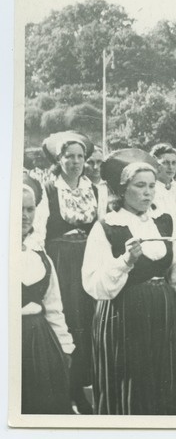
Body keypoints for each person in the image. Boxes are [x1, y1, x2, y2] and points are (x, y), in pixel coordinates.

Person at [82, 148, 176, 415]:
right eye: (140, 186)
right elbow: (94, 285)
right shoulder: (106, 226)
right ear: (123, 189)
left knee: (170, 386)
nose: (148, 192)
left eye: (152, 186)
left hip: (165, 315)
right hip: (124, 319)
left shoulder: (165, 223)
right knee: (132, 390)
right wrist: (125, 261)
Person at [31, 131, 98, 414]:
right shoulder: (49, 190)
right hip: (61, 261)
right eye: (68, 156)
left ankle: (89, 388)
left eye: (80, 156)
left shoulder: (95, 190)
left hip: (90, 259)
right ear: (59, 160)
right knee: (68, 322)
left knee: (91, 321)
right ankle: (68, 390)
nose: (75, 162)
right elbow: (39, 231)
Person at [21, 175, 74, 414]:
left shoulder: (39, 255)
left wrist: (64, 347)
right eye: (18, 208)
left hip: (39, 341)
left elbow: (53, 306)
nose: (24, 215)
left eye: (30, 209)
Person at [84, 146, 109, 222]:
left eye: (99, 162)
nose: (95, 167)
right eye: (90, 162)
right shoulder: (79, 186)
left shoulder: (110, 186)